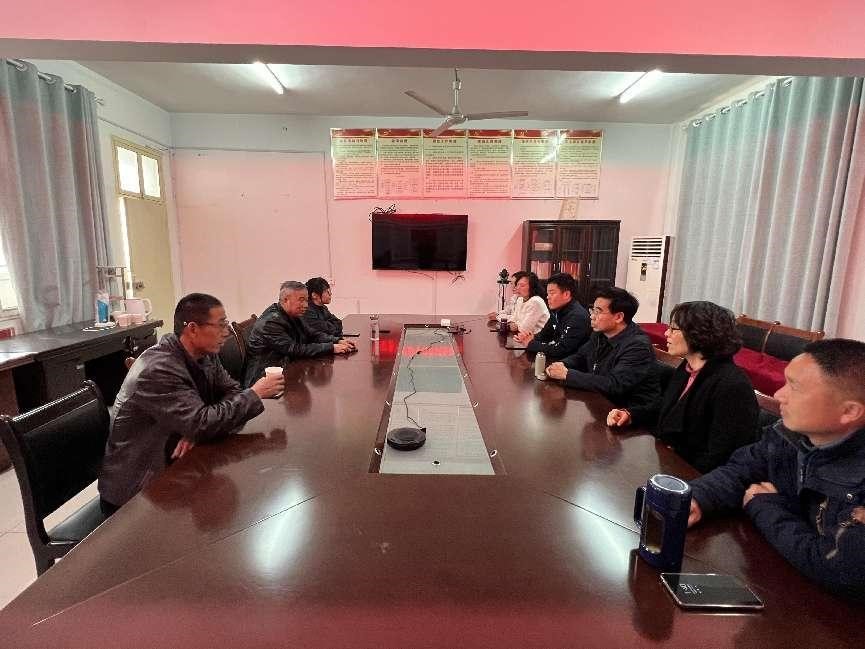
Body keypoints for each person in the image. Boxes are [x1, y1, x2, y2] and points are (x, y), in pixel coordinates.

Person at [686, 338, 865, 598]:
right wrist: (698, 498)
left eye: (794, 387)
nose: (779, 394)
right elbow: (742, 469)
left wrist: (765, 506)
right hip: (780, 581)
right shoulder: (789, 435)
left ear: (849, 411)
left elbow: (837, 567)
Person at [98, 293, 284, 515]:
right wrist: (254, 393)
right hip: (137, 490)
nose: (226, 332)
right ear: (193, 329)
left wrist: (197, 427)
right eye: (220, 325)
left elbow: (231, 393)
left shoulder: (205, 354)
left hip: (174, 465)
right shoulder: (159, 368)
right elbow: (202, 422)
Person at [607, 301, 759, 472]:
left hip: (695, 476)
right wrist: (631, 414)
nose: (666, 333)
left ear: (699, 334)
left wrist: (677, 462)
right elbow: (667, 407)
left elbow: (722, 456)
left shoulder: (732, 385)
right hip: (668, 463)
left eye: (673, 329)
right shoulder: (687, 367)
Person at [546, 287, 659, 411]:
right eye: (592, 310)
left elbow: (614, 385)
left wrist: (567, 375)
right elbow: (581, 357)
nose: (592, 316)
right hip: (600, 401)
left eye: (598, 312)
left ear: (618, 317)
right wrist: (561, 364)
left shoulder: (637, 346)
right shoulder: (600, 334)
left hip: (627, 412)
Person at [244, 280, 355, 387]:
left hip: (287, 368)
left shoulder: (293, 313)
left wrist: (337, 340)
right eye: (301, 300)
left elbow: (311, 334)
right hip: (264, 379)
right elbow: (294, 349)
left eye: (306, 300)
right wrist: (331, 347)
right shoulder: (271, 322)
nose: (306, 305)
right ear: (286, 300)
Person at [515, 272, 590, 361]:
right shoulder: (557, 310)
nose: (548, 297)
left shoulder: (577, 316)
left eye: (552, 293)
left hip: (569, 364)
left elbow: (561, 350)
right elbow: (545, 334)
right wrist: (531, 337)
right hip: (557, 360)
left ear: (566, 294)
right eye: (548, 293)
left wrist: (531, 344)